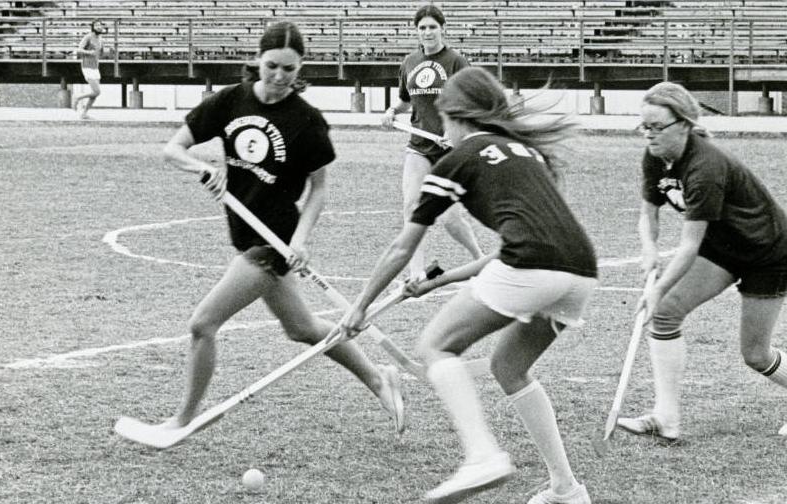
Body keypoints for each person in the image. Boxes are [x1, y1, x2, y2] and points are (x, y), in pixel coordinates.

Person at [344, 67, 598, 504]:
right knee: (509, 367)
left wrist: (360, 308)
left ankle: (482, 456)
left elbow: (402, 248)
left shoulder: (455, 161)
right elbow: (509, 250)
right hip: (579, 271)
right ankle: (566, 489)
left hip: (533, 265)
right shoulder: (524, 152)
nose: (442, 127)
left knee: (435, 347)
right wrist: (438, 281)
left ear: (458, 115)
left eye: (443, 117)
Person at [160, 21, 405, 436]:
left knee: (202, 324)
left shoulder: (306, 121)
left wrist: (300, 241)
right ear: (258, 60)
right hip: (244, 234)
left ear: (300, 69)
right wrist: (202, 168)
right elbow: (172, 149)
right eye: (271, 66)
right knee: (303, 328)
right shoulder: (228, 102)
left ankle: (183, 419)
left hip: (272, 243)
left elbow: (319, 189)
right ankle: (380, 378)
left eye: (289, 70)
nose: (278, 77)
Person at [617, 81, 787, 442]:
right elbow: (648, 212)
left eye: (656, 127)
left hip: (766, 251)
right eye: (643, 126)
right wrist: (648, 247)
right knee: (665, 312)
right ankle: (667, 419)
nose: (648, 135)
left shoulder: (705, 167)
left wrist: (659, 286)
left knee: (755, 355)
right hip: (722, 247)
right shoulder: (655, 157)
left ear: (684, 123)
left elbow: (689, 245)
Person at [381, 4, 483, 281]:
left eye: (432, 27)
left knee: (451, 218)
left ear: (442, 29)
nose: (427, 32)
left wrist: (457, 131)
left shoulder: (456, 62)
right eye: (422, 28)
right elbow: (406, 101)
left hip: (450, 150)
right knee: (412, 206)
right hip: (419, 146)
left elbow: (470, 101)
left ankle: (480, 260)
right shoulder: (410, 63)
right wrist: (392, 112)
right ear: (417, 31)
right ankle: (415, 272)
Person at [72, 19, 108, 119]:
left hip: (95, 67)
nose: (99, 27)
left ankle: (84, 113)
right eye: (96, 25)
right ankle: (77, 97)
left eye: (100, 25)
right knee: (97, 91)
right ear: (93, 27)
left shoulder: (100, 39)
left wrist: (107, 52)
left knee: (94, 93)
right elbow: (79, 49)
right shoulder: (88, 37)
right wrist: (89, 53)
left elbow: (100, 52)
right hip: (87, 66)